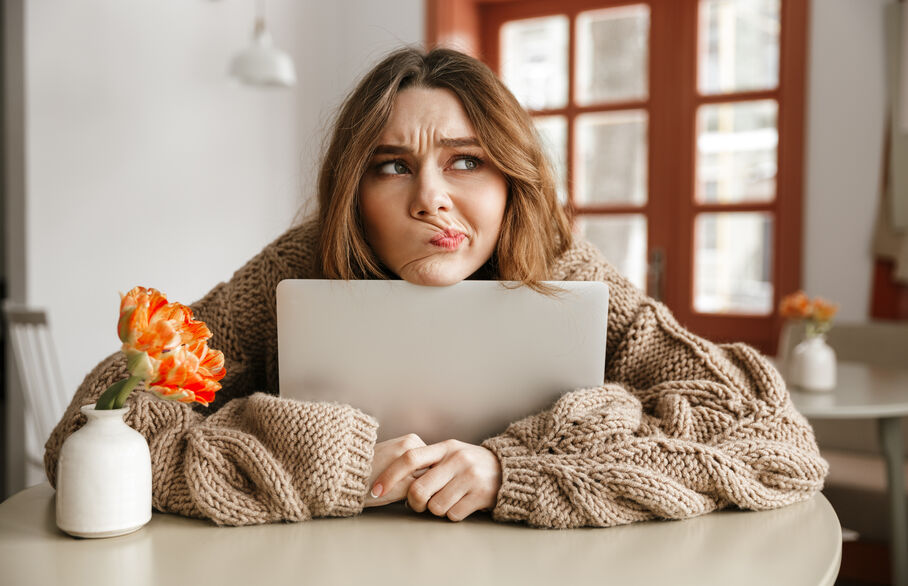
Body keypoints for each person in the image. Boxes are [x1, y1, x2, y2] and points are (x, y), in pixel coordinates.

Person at [44, 47, 828, 528]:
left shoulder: (561, 269)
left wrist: (517, 474)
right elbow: (89, 437)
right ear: (355, 191)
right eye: (393, 166)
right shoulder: (296, 267)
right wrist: (331, 462)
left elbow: (773, 443)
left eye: (465, 160)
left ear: (510, 179)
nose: (430, 198)